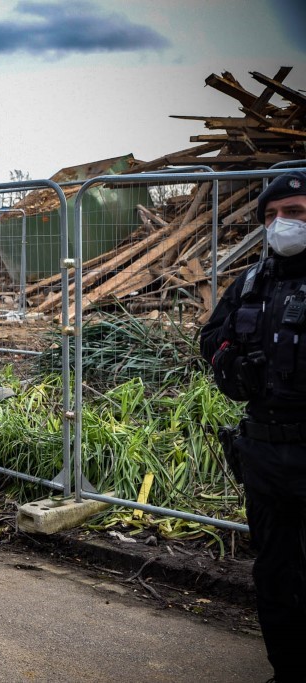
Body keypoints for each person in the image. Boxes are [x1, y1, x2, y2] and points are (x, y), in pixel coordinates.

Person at [200, 170, 306, 683]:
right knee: (275, 573)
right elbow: (210, 338)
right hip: (265, 455)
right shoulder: (251, 281)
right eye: (270, 217)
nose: (281, 224)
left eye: (295, 213)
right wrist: (228, 358)